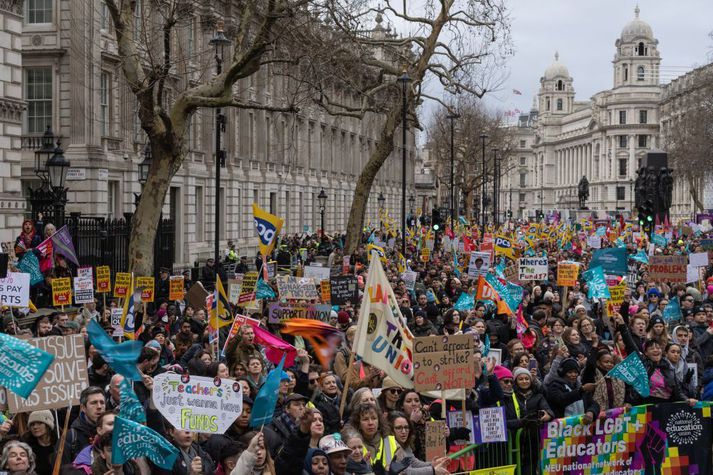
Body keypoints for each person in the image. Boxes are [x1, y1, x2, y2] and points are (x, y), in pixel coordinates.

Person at [59, 386, 106, 465]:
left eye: (102, 402)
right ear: (83, 408)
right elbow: (63, 469)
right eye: (94, 403)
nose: (99, 406)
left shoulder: (113, 432)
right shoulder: (70, 437)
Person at [21, 410, 57, 475]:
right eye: (32, 424)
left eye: (39, 423)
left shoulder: (60, 444)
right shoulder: (26, 447)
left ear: (48, 425)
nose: (35, 427)